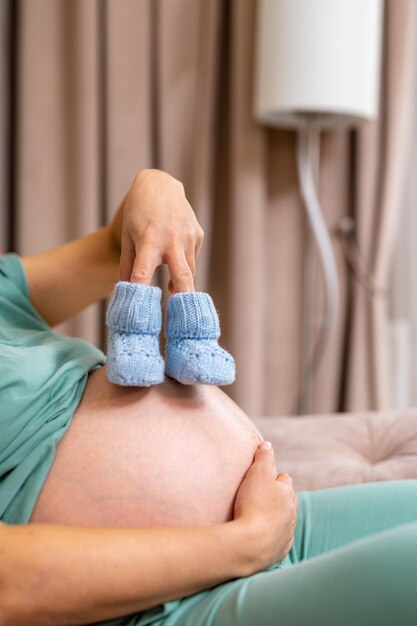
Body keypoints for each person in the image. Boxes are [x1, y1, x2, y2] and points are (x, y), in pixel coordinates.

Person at [0, 168, 416, 626]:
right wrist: (246, 543)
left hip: (277, 534)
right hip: (160, 605)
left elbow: (110, 247)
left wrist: (154, 187)